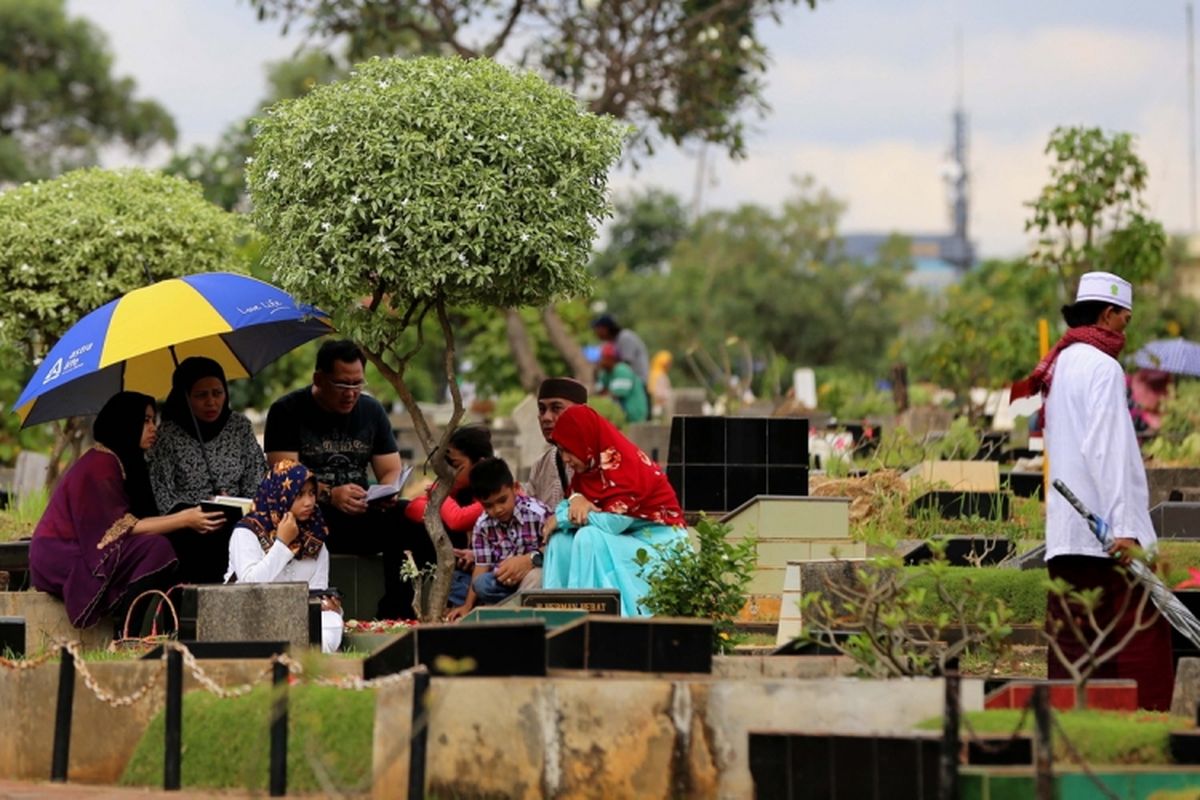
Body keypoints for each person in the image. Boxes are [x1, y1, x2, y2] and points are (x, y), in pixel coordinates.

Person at [1011, 271, 1174, 710]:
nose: (1127, 326)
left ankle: (1074, 722)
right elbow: (1108, 450)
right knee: (1141, 636)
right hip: (1107, 531)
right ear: (1106, 314)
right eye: (1125, 317)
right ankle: (1150, 722)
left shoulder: (1062, 363)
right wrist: (1124, 527)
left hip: (1069, 531)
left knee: (1075, 640)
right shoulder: (1102, 367)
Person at [29, 392, 226, 630]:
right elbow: (120, 527)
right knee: (156, 548)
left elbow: (145, 515)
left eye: (154, 420)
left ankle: (168, 628)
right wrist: (184, 519)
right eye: (145, 421)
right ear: (124, 422)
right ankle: (127, 634)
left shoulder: (125, 460)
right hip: (62, 554)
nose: (154, 428)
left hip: (85, 547)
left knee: (173, 542)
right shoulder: (100, 464)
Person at [264, 339, 420, 619]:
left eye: (358, 384)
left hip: (362, 509)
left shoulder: (371, 411)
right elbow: (284, 474)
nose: (351, 394)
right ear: (319, 379)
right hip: (312, 514)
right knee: (304, 514)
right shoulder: (287, 411)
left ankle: (398, 609)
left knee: (409, 517)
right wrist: (329, 494)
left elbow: (391, 468)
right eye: (342, 385)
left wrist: (387, 491)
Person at [542, 405, 688, 616]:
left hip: (659, 550)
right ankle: (556, 619)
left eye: (568, 449)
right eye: (561, 450)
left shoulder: (627, 467)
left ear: (585, 442)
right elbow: (570, 503)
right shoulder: (590, 469)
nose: (565, 458)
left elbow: (612, 523)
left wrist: (562, 517)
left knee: (589, 537)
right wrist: (576, 498)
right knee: (560, 541)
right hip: (625, 541)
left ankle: (591, 620)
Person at [148, 356, 267, 583]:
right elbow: (163, 494)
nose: (212, 402)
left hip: (239, 519)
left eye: (217, 393)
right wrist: (198, 510)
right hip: (190, 527)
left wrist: (234, 502)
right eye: (201, 395)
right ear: (185, 397)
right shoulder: (168, 435)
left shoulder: (239, 427)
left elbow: (256, 479)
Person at [225, 460, 342, 653]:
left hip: (296, 616)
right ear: (279, 495)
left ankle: (304, 657)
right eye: (300, 494)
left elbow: (315, 594)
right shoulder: (247, 531)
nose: (309, 502)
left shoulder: (315, 536)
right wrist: (281, 543)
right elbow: (249, 586)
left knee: (331, 622)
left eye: (312, 493)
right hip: (249, 613)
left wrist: (326, 602)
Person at [447, 458, 548, 621]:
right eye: (489, 505)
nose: (498, 509)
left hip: (532, 574)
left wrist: (528, 562)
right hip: (503, 582)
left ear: (515, 488)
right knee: (480, 584)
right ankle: (503, 607)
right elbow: (481, 566)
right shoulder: (483, 524)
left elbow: (553, 549)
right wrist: (467, 606)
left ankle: (513, 612)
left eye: (502, 500)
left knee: (537, 578)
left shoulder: (537, 513)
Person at [404, 425, 492, 608]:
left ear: (480, 464)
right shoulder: (459, 489)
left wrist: (436, 492)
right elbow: (412, 508)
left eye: (456, 466)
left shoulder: (494, 494)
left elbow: (457, 519)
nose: (449, 472)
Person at [527, 377, 588, 510]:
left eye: (556, 408)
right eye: (542, 409)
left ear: (581, 412)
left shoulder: (604, 460)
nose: (546, 418)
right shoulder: (540, 466)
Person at [596, 343, 649, 423]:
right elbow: (599, 393)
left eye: (603, 357)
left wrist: (605, 394)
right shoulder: (604, 373)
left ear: (611, 358)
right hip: (619, 414)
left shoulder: (622, 370)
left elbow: (615, 395)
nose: (601, 360)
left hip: (633, 414)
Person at [591, 313, 649, 386]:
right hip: (627, 382)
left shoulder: (625, 337)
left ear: (605, 329)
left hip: (637, 382)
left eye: (597, 329)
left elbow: (626, 364)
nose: (596, 333)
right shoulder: (613, 341)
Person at [647, 350, 675, 420]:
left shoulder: (653, 373)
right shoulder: (659, 375)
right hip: (661, 408)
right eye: (668, 363)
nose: (670, 365)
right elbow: (658, 394)